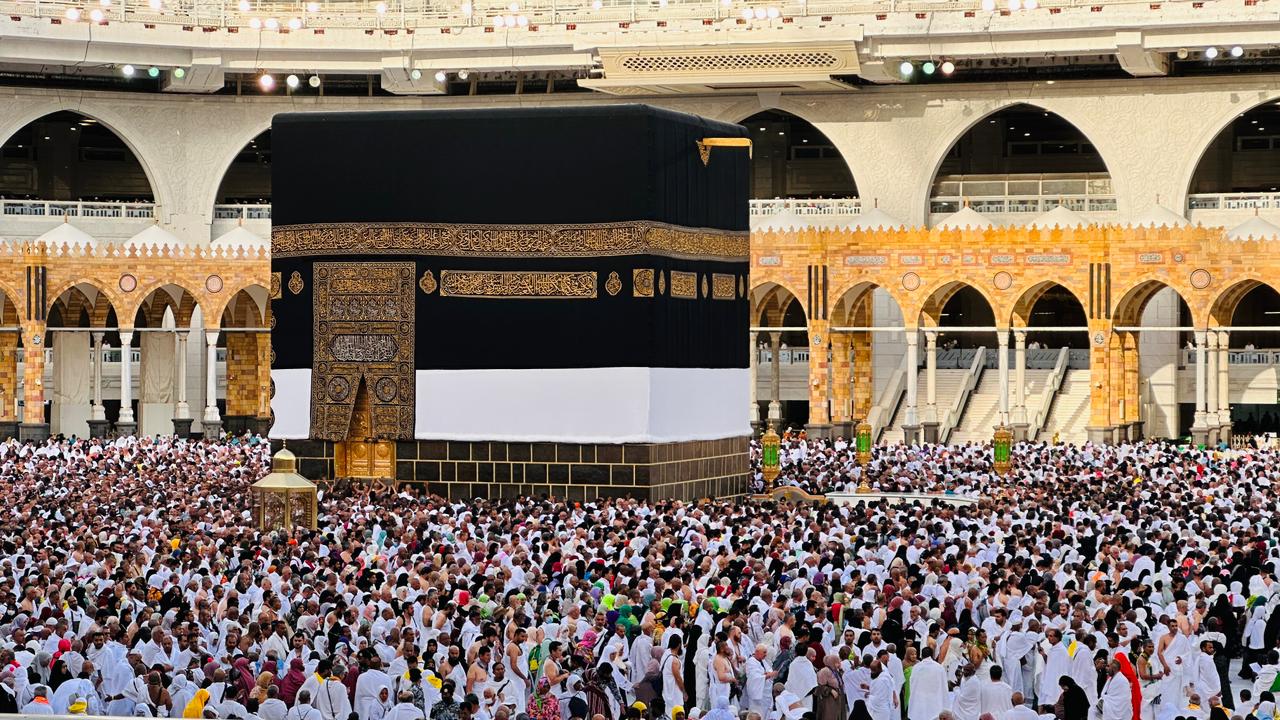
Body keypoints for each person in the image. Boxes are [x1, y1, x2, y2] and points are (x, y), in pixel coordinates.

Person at [906, 647, 946, 720]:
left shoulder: (916, 668)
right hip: (935, 700)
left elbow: (912, 684)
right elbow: (944, 687)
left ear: (921, 655)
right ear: (932, 655)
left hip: (920, 700)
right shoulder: (940, 668)